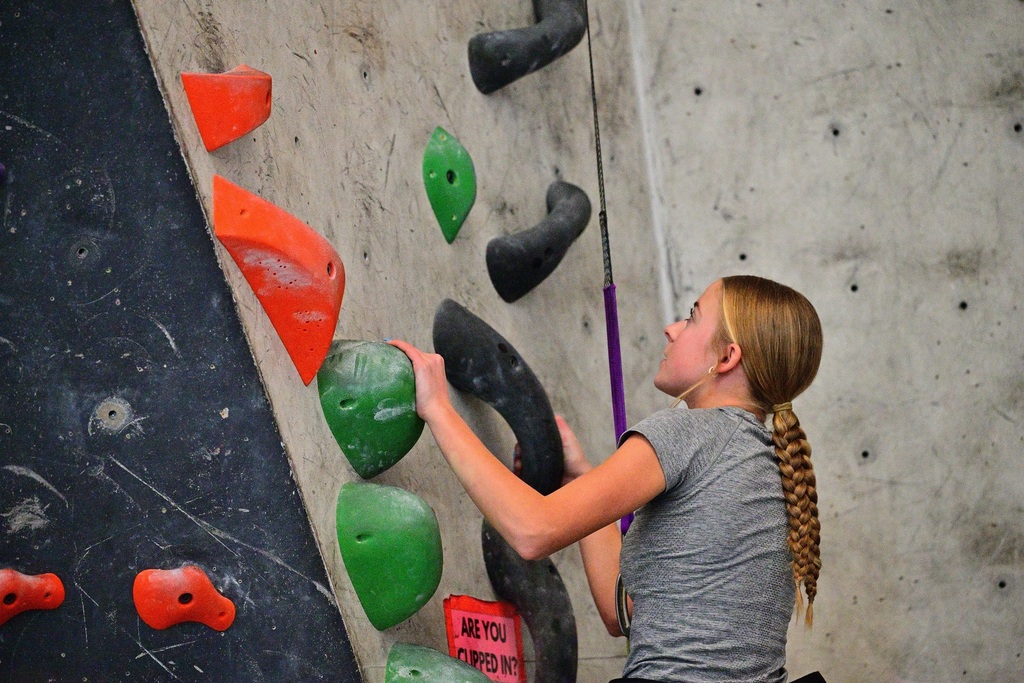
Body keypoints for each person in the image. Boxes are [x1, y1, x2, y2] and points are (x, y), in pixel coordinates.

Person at [389, 275, 823, 683]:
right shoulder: (775, 468)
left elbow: (531, 531)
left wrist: (439, 409)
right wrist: (580, 477)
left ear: (727, 358)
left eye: (691, 318)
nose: (672, 330)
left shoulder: (690, 434)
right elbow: (626, 614)